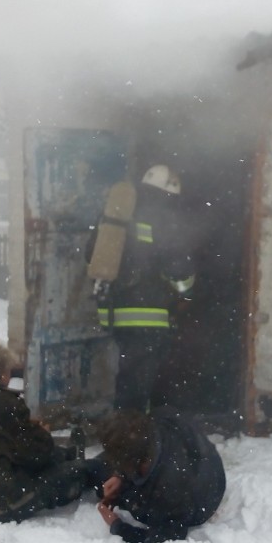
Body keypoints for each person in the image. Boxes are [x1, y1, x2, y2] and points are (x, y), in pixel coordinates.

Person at [0, 337, 107, 525]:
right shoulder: (5, 405)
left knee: (24, 452)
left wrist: (25, 429)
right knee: (80, 471)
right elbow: (38, 456)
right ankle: (87, 468)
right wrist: (41, 433)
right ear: (1, 375)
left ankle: (70, 455)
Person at [94, 165, 196, 412]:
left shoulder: (119, 211)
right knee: (138, 384)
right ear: (169, 192)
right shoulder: (164, 218)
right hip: (149, 316)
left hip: (114, 313)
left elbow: (91, 255)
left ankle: (126, 424)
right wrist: (187, 291)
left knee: (128, 376)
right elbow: (178, 271)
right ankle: (131, 428)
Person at [94, 406, 225, 543]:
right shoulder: (151, 427)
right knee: (101, 471)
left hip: (203, 496)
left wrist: (116, 525)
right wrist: (119, 476)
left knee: (121, 491)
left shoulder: (171, 491)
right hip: (195, 457)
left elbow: (164, 537)